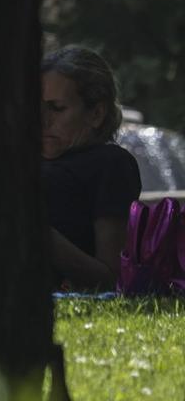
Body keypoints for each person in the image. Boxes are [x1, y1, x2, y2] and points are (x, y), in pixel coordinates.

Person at [41, 46, 141, 289]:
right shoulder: (26, 158)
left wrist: (32, 227)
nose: (42, 120)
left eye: (57, 108)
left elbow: (111, 277)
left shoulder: (110, 163)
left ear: (96, 113)